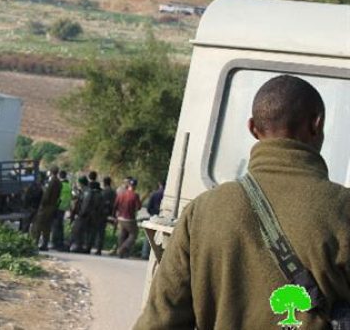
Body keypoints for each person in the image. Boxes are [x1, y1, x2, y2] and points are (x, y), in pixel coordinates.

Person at [135, 75, 350, 330]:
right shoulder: (342, 210)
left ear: (252, 128)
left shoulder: (202, 212)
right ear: (317, 124)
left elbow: (159, 321)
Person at [30, 166, 61, 251]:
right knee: (47, 226)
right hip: (53, 206)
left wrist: (42, 204)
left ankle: (35, 243)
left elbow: (46, 195)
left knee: (38, 225)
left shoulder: (51, 182)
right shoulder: (59, 182)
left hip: (46, 206)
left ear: (51, 172)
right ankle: (45, 244)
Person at [113, 177, 141, 258]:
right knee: (134, 234)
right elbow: (138, 207)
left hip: (120, 218)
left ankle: (121, 253)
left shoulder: (121, 194)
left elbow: (115, 205)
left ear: (128, 185)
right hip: (129, 219)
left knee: (122, 234)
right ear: (135, 186)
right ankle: (122, 249)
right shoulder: (135, 195)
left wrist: (115, 216)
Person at [141, 181, 165, 259]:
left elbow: (148, 207)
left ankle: (144, 254)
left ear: (159, 184)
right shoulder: (166, 195)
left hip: (154, 217)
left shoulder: (154, 194)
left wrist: (153, 214)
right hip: (163, 218)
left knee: (149, 236)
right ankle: (157, 255)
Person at [51, 170, 72, 250]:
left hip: (57, 207)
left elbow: (56, 196)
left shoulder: (59, 185)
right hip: (64, 207)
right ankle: (60, 241)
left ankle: (54, 243)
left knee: (55, 226)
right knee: (60, 225)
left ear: (59, 176)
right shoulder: (69, 185)